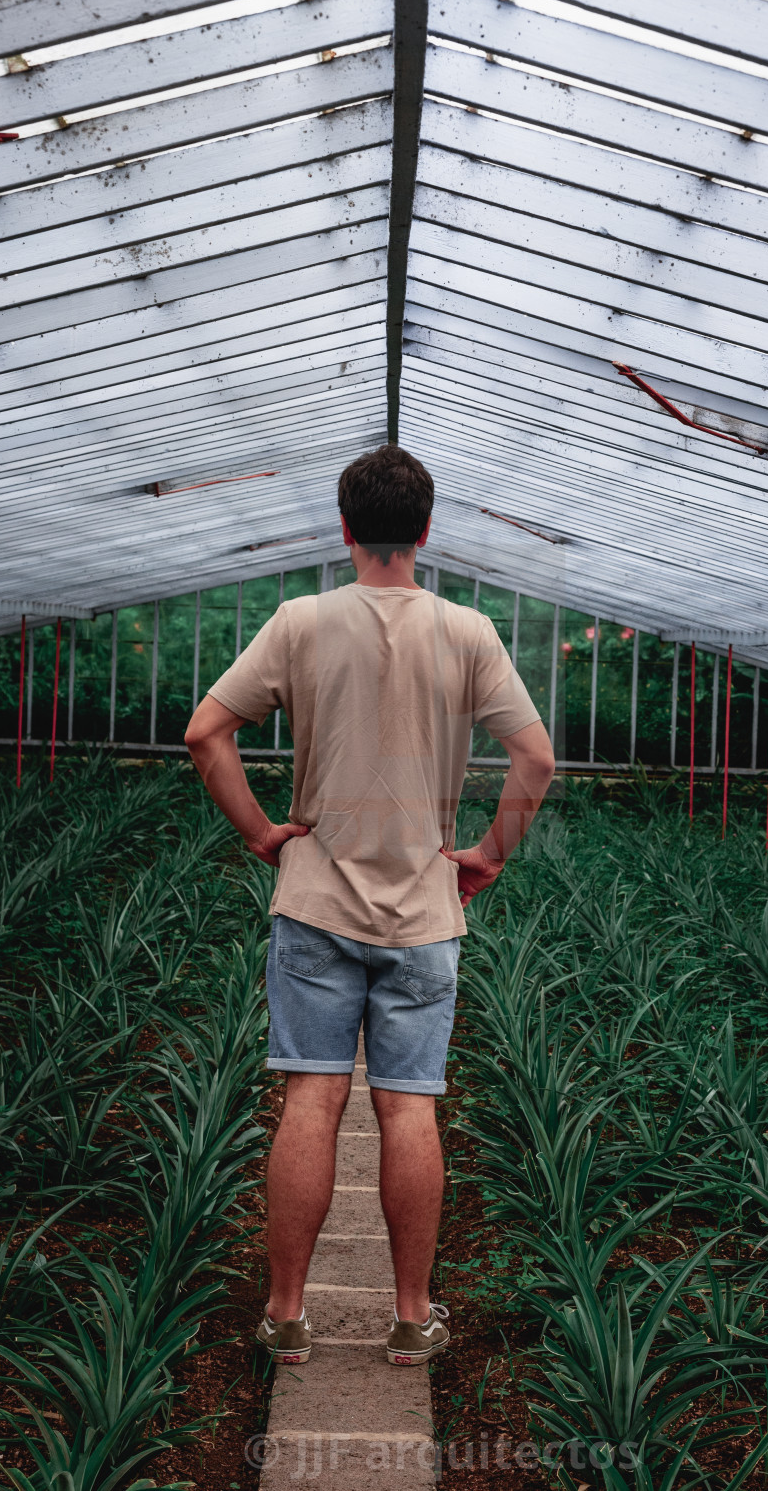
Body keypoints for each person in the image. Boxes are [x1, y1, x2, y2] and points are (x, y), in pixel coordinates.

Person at [185, 445, 556, 1368]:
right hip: (425, 912)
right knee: (409, 1107)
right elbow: (535, 760)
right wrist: (487, 857)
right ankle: (409, 1315)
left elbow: (206, 733)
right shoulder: (469, 633)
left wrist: (264, 833)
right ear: (426, 531)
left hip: (315, 901)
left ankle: (286, 1315)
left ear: (344, 528)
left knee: (311, 1098)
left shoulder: (301, 621)